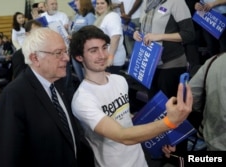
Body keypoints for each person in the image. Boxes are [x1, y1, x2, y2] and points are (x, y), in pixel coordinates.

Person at [69, 25, 193, 167]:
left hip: (139, 159)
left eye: (104, 47)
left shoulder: (119, 80)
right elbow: (122, 135)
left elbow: (126, 118)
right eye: (93, 51)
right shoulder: (82, 100)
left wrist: (161, 138)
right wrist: (169, 122)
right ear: (79, 57)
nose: (102, 55)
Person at [0, 27, 94, 167]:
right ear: (35, 58)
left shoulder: (57, 82)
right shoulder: (14, 96)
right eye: (58, 53)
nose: (66, 58)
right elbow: (7, 158)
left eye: (65, 51)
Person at [133, 0, 195, 99]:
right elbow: (142, 25)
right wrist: (137, 32)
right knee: (153, 104)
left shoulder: (177, 2)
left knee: (167, 107)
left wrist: (159, 36)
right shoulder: (146, 2)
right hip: (149, 64)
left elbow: (189, 34)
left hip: (170, 63)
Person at [94, 0, 127, 75]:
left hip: (113, 60)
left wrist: (110, 57)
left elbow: (115, 37)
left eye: (102, 3)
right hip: (105, 58)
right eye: (97, 3)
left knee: (112, 84)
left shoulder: (112, 16)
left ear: (108, 5)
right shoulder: (102, 17)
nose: (99, 5)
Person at [70, 0, 96, 81]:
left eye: (77, 1)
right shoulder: (77, 16)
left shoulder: (90, 16)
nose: (74, 3)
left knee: (88, 77)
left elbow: (92, 33)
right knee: (81, 78)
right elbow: (73, 30)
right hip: (75, 49)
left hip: (84, 50)